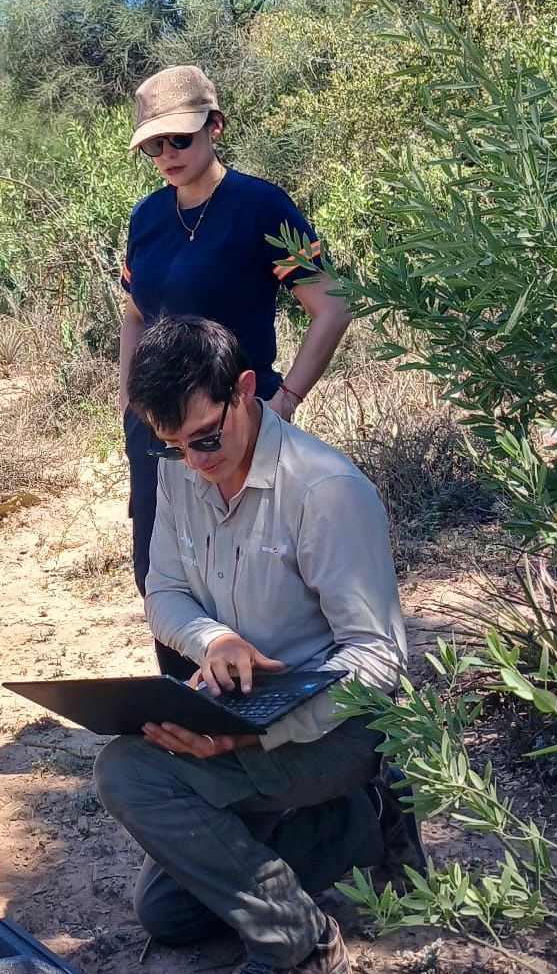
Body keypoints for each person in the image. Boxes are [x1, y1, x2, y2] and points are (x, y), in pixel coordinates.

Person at [94, 317, 423, 974]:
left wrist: (251, 735)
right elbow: (163, 592)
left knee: (126, 770)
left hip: (342, 727)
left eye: (204, 438)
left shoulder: (325, 490)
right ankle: (355, 825)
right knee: (169, 912)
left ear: (244, 389)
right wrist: (212, 639)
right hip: (240, 710)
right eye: (172, 446)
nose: (194, 462)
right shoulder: (180, 470)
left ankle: (300, 942)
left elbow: (378, 656)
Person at [119, 65, 354, 681]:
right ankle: (186, 708)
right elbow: (136, 314)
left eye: (180, 138)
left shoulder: (261, 207)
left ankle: (270, 706)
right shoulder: (146, 219)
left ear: (215, 126)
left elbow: (331, 306)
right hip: (160, 432)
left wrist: (286, 400)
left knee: (254, 574)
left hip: (238, 423)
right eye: (154, 145)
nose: (167, 155)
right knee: (164, 572)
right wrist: (132, 408)